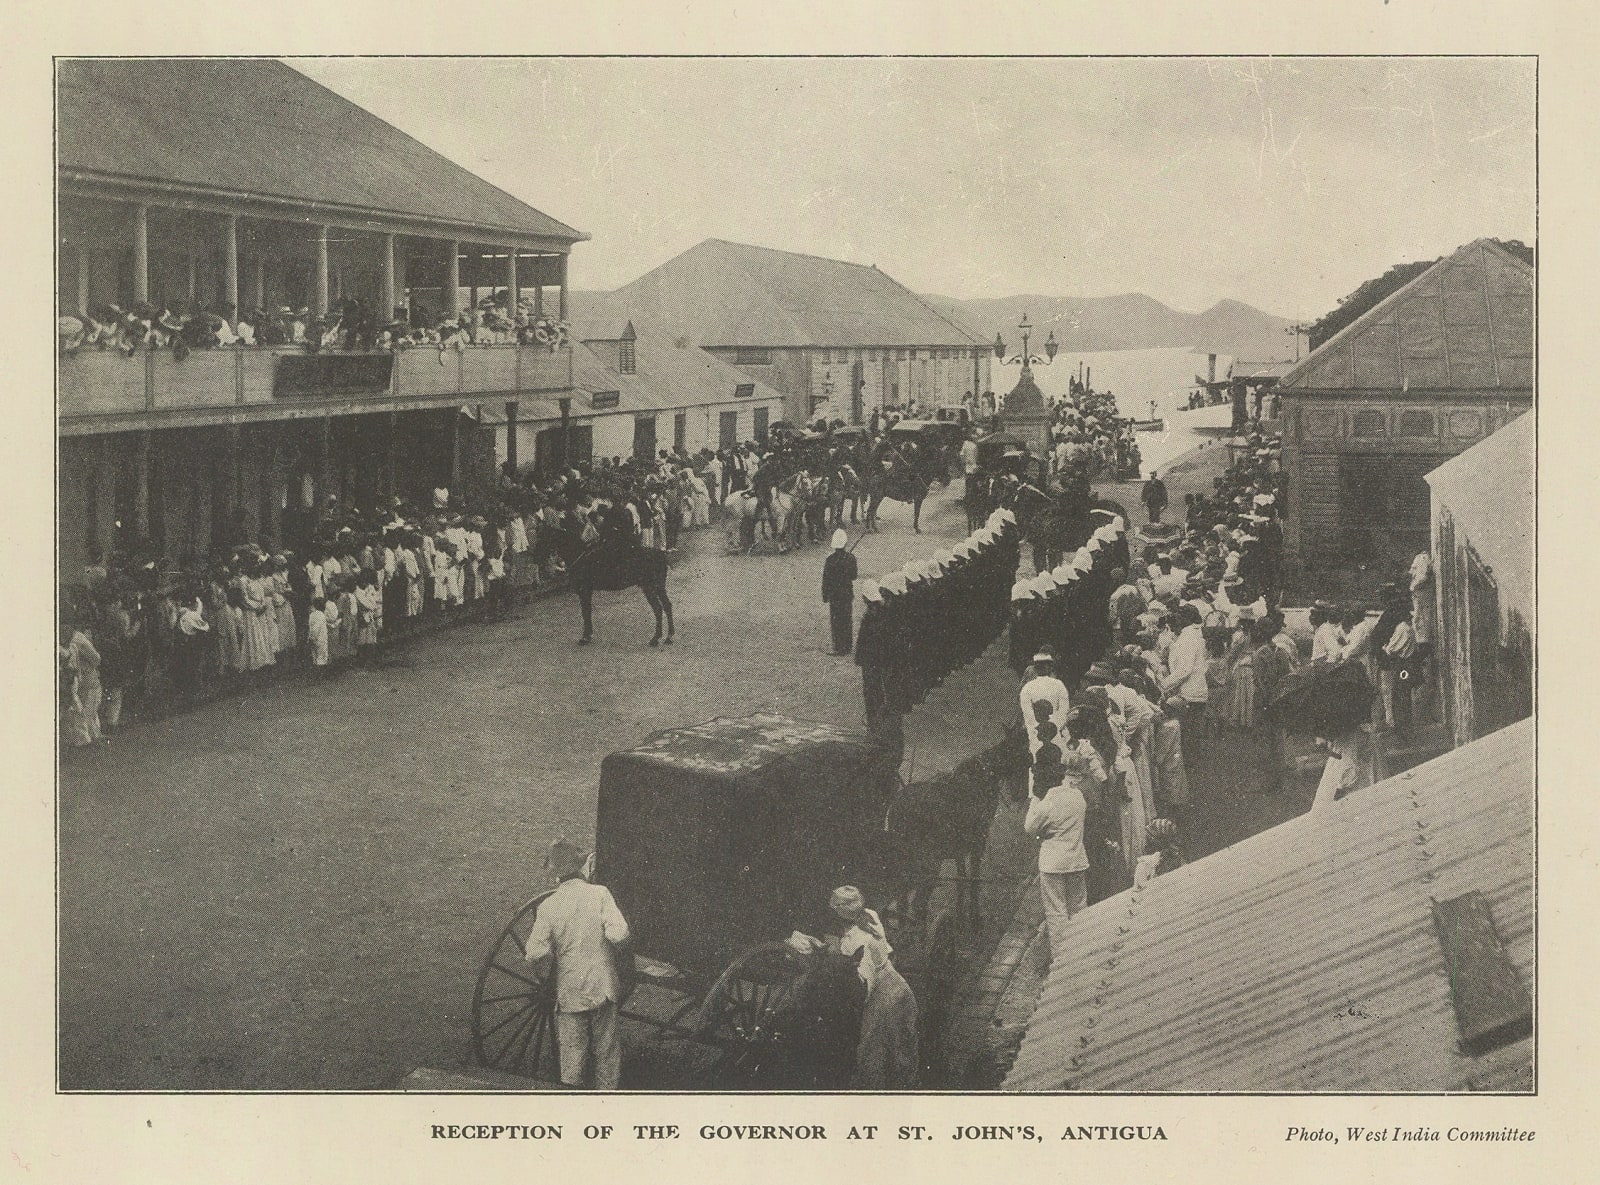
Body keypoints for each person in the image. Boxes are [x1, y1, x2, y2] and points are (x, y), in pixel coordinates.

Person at [523, 839, 631, 1089]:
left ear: (556, 875)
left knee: (572, 1059)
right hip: (603, 988)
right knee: (607, 1053)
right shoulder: (600, 894)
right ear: (582, 867)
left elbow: (535, 952)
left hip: (570, 991)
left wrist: (547, 977)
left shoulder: (549, 906)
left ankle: (572, 1104)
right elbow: (619, 933)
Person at [1023, 717, 1104, 957]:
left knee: (1056, 911)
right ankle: (1081, 948)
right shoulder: (1078, 798)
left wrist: (1035, 800)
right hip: (1077, 860)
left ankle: (1061, 956)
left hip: (1052, 864)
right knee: (1079, 906)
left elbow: (1030, 828)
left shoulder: (1047, 802)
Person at [829, 885, 919, 1089]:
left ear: (839, 913)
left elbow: (864, 987)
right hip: (898, 987)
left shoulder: (857, 942)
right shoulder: (870, 916)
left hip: (882, 1000)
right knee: (902, 1051)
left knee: (872, 1057)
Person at [1019, 651, 1070, 755]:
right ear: (1051, 667)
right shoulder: (1059, 685)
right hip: (1055, 734)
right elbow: (1064, 711)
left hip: (1035, 736)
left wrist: (1036, 730)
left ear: (1035, 668)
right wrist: (1054, 728)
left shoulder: (1027, 688)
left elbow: (1028, 716)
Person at [821, 528, 858, 655]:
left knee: (836, 620)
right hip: (847, 593)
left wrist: (825, 595)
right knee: (847, 619)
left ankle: (838, 646)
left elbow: (825, 579)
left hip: (834, 594)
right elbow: (854, 576)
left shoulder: (830, 560)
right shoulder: (851, 558)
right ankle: (847, 646)